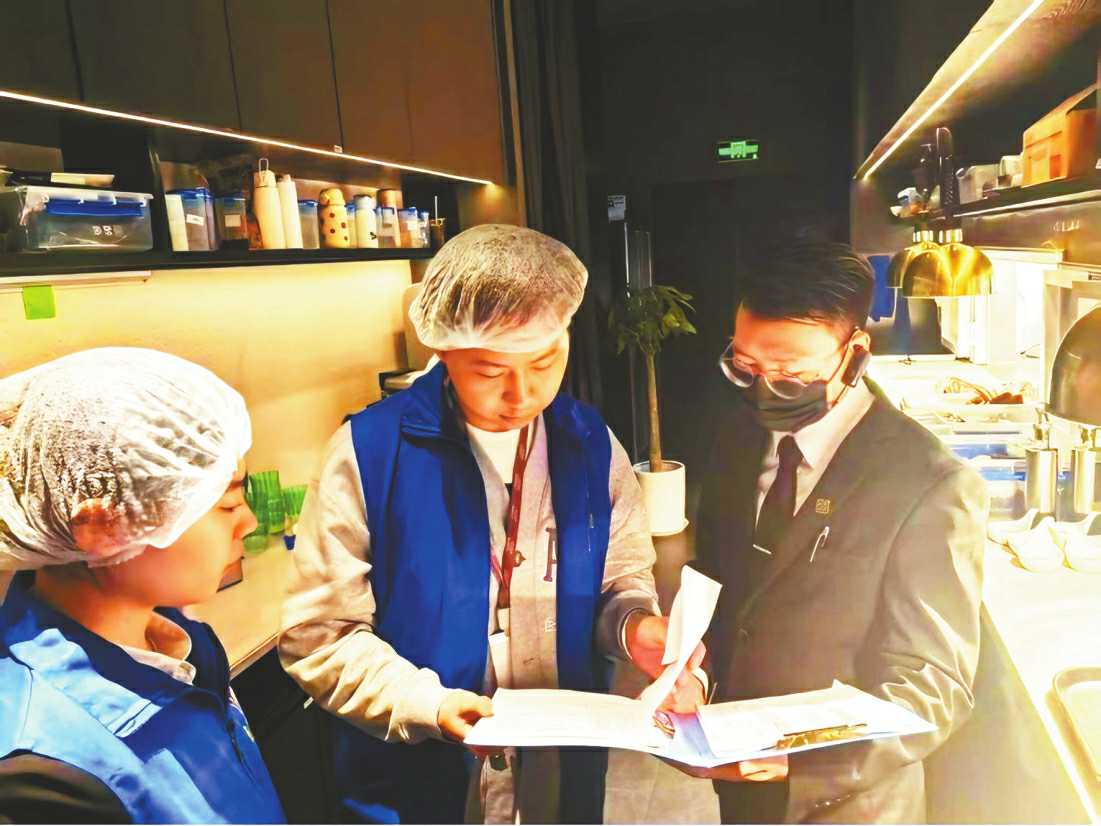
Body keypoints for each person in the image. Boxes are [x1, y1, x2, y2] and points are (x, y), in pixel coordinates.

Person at [279, 224, 704, 824]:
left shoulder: (588, 444)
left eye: (545, 361)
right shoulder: (370, 453)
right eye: (488, 371)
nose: (522, 393)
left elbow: (619, 581)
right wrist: (425, 703)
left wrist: (636, 628)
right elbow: (320, 636)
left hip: (559, 770)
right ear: (444, 351)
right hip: (420, 780)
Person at [683, 241, 987, 823]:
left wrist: (799, 760)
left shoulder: (929, 483)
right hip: (739, 776)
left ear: (854, 356)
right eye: (745, 367)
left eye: (791, 374)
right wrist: (691, 666)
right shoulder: (736, 436)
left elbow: (933, 685)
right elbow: (719, 575)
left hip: (848, 802)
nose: (764, 390)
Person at [0, 348, 286, 825]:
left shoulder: (182, 644)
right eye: (227, 504)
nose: (250, 523)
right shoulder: (46, 774)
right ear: (103, 527)